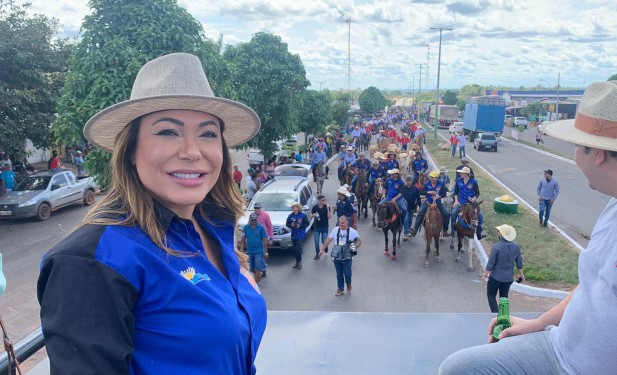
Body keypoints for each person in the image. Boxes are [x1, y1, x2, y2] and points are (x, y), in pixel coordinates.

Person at [36, 53, 266, 374]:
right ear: (130, 151)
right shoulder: (92, 261)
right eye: (168, 132)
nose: (191, 151)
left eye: (208, 133)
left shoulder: (211, 224)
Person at [440, 79, 617, 375]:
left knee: (476, 217)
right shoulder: (612, 204)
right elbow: (592, 283)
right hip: (557, 347)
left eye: (577, 147)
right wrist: (538, 324)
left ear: (597, 153)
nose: (574, 156)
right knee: (456, 368)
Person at [482, 224, 524, 313]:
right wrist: (521, 274)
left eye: (499, 232)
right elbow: (519, 262)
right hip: (508, 278)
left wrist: (485, 274)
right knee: (504, 298)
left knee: (491, 296)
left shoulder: (497, 247)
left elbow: (491, 263)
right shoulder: (516, 246)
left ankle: (495, 314)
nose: (498, 233)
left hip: (495, 277)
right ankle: (504, 315)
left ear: (501, 234)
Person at [318, 216, 361, 297]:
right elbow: (328, 240)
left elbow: (359, 241)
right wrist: (322, 250)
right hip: (337, 255)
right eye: (339, 223)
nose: (340, 225)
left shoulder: (353, 232)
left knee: (347, 272)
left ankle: (348, 283)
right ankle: (340, 288)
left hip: (348, 256)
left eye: (342, 223)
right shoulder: (335, 230)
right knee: (339, 273)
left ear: (347, 222)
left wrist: (354, 247)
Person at [450, 166, 486, 239]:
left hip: (471, 203)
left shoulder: (474, 182)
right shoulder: (458, 180)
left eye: (462, 173)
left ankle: (479, 231)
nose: (460, 174)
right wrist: (456, 201)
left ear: (466, 174)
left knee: (481, 216)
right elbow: (455, 192)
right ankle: (453, 229)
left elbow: (477, 193)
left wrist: (473, 198)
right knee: (453, 213)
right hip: (460, 202)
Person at [411, 171, 449, 237]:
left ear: (437, 178)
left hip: (438, 202)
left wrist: (438, 196)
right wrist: (429, 192)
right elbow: (421, 192)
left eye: (434, 177)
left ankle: (445, 230)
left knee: (446, 213)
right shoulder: (427, 184)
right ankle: (415, 229)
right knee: (420, 212)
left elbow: (444, 194)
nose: (432, 179)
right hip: (428, 202)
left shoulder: (441, 184)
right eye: (431, 177)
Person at [242, 213, 268, 283]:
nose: (253, 221)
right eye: (252, 220)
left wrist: (266, 252)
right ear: (249, 220)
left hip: (258, 251)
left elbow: (264, 241)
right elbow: (243, 238)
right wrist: (242, 249)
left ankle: (256, 283)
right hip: (250, 251)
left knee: (257, 268)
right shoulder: (246, 227)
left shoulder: (261, 228)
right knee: (251, 268)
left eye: (255, 220)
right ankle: (261, 272)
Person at [286, 202, 309, 270]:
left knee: (298, 249)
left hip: (300, 234)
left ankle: (299, 262)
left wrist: (300, 226)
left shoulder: (303, 216)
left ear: (297, 208)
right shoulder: (290, 216)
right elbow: (287, 224)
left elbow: (307, 223)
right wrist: (291, 225)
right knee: (294, 249)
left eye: (294, 207)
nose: (293, 209)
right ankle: (297, 261)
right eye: (292, 207)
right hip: (293, 234)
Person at [401, 175, 421, 240]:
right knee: (406, 219)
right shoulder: (403, 188)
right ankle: (405, 233)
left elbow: (418, 198)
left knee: (410, 220)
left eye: (409, 180)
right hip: (405, 207)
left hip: (412, 207)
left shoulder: (415, 189)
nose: (408, 182)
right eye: (407, 180)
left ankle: (408, 229)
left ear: (412, 181)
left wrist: (419, 206)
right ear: (405, 181)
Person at [311, 194, 332, 260]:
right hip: (317, 227)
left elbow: (329, 217)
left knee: (323, 240)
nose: (325, 201)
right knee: (316, 241)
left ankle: (325, 247)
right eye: (323, 200)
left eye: (325, 199)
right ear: (319, 200)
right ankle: (317, 254)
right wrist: (313, 215)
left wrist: (328, 209)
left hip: (325, 227)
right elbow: (311, 214)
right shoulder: (315, 207)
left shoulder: (327, 207)